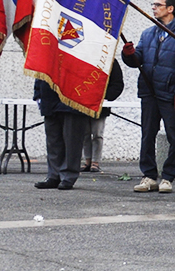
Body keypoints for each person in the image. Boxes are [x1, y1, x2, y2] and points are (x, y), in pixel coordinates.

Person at [122, 0, 175, 194]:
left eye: (158, 4)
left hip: (170, 93)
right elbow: (138, 59)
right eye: (153, 4)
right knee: (147, 134)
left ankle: (168, 177)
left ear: (170, 8)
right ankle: (149, 176)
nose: (154, 7)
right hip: (149, 92)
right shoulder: (148, 33)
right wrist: (129, 54)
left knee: (174, 136)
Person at [34, 61, 123, 190]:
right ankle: (53, 175)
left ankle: (68, 176)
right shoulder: (51, 44)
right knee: (53, 141)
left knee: (72, 142)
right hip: (50, 97)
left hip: (74, 98)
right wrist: (38, 93)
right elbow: (41, 68)